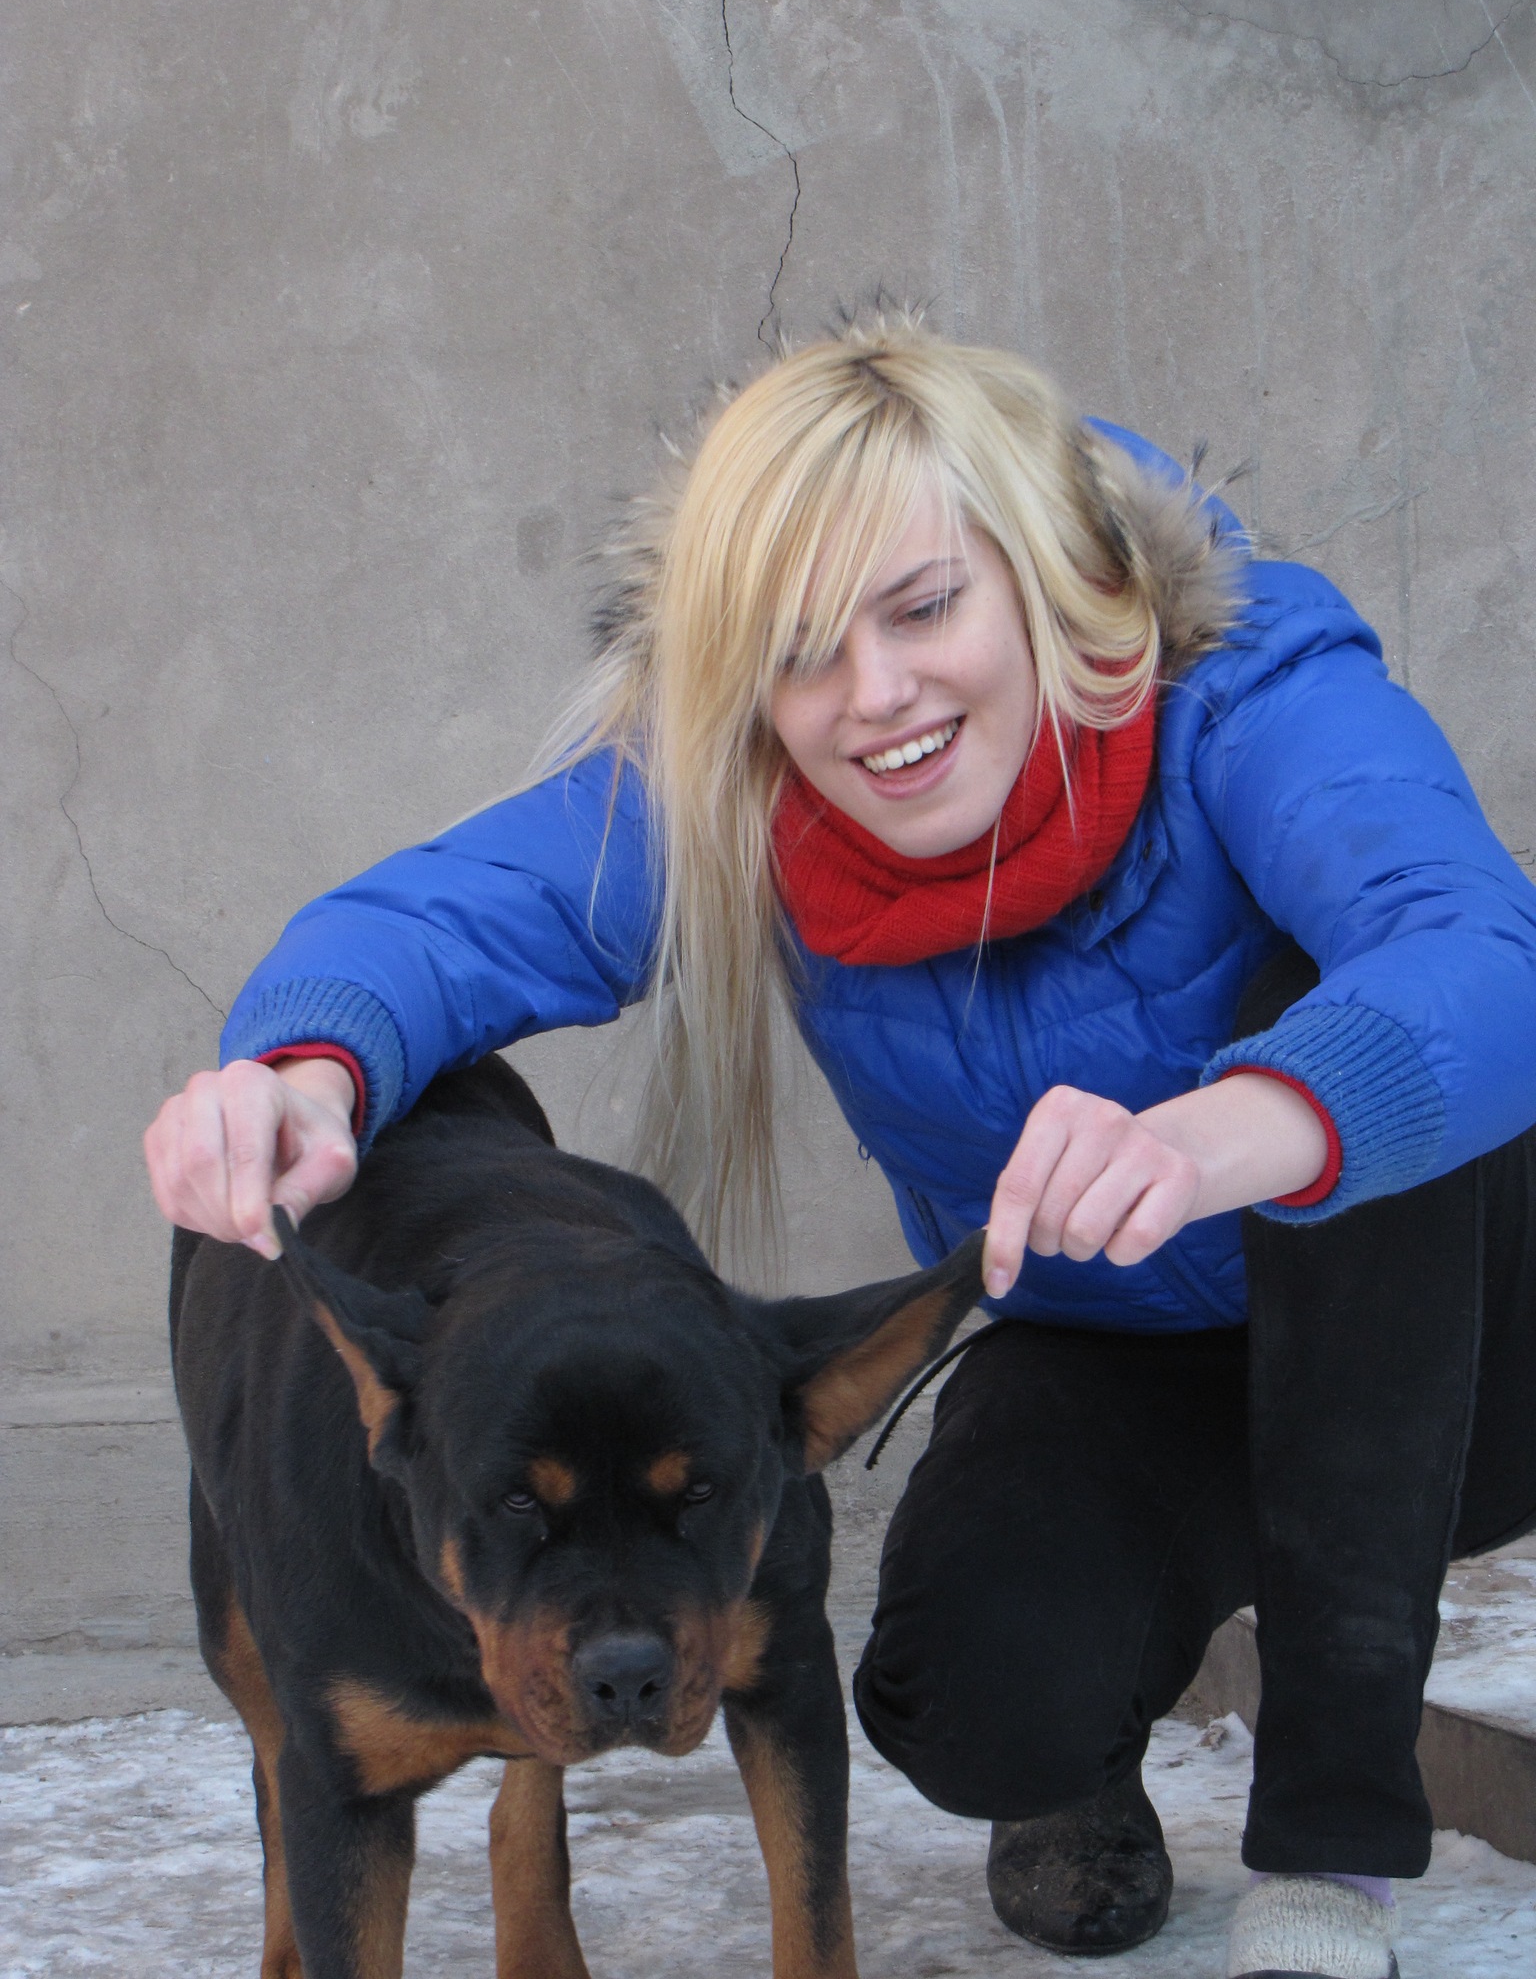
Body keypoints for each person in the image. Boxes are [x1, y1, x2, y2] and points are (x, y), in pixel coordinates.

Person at [145, 315, 1536, 1979]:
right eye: (801, 649)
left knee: (1341, 1042)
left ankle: (1329, 1848)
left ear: (1053, 575)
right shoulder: (749, 790)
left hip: (1467, 1343)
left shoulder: (1245, 692)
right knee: (967, 1689)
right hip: (1136, 1348)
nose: (875, 695)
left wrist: (1246, 1123)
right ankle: (1081, 1773)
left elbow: (1474, 949)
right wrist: (302, 1070)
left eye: (925, 607)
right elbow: (440, 921)